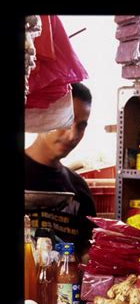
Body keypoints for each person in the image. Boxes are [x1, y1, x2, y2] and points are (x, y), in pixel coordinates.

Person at [25, 82, 96, 260]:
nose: (73, 135)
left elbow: (88, 252)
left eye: (81, 126)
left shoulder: (79, 189)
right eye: (66, 122)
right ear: (45, 116)